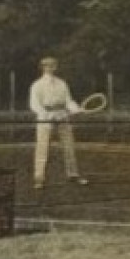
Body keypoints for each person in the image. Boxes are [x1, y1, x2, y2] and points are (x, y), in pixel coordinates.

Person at [29, 56, 87, 189]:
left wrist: (75, 108)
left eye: (53, 65)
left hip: (62, 115)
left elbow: (68, 100)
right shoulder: (37, 85)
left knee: (69, 146)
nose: (50, 68)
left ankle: (73, 174)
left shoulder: (62, 83)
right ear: (42, 67)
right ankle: (39, 178)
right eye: (47, 65)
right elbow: (34, 104)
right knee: (42, 148)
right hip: (45, 117)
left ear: (56, 67)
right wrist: (45, 115)